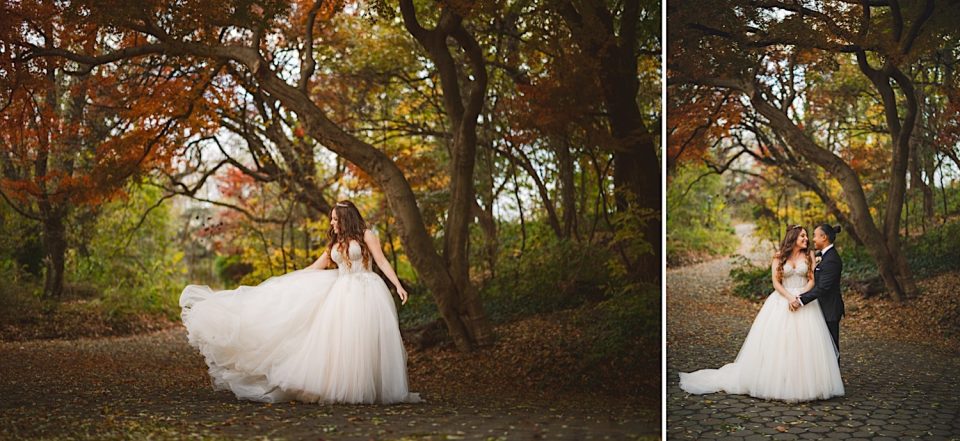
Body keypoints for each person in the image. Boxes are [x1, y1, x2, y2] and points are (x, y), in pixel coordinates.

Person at [179, 200, 421, 404]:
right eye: (332, 220)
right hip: (342, 294)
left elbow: (382, 261)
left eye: (336, 219)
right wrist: (285, 281)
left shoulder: (367, 235)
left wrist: (397, 285)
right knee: (345, 341)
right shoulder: (334, 245)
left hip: (368, 290)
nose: (332, 224)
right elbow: (315, 268)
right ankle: (348, 387)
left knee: (366, 339)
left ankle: (374, 387)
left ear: (347, 219)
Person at [679, 224, 844, 402]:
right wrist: (790, 297)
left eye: (808, 236)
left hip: (804, 301)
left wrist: (800, 295)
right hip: (783, 300)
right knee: (778, 343)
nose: (807, 239)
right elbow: (776, 282)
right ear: (793, 238)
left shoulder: (810, 255)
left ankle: (807, 382)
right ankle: (778, 380)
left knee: (806, 344)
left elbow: (812, 280)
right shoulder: (779, 256)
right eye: (803, 236)